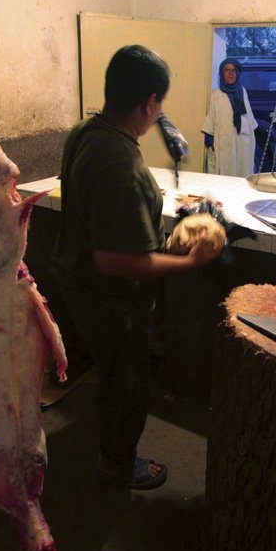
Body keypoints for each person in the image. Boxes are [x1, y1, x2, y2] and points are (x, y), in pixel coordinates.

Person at [52, 45, 221, 490]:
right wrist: (190, 262)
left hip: (77, 281)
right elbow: (118, 259)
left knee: (110, 372)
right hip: (111, 298)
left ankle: (107, 438)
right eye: (159, 103)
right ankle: (119, 461)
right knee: (130, 384)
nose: (158, 113)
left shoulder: (86, 132)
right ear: (148, 102)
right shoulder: (122, 162)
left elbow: (103, 209)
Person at [202, 58, 256, 177]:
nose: (231, 73)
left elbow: (249, 119)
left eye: (234, 70)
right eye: (227, 70)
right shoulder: (216, 94)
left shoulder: (242, 92)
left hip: (242, 142)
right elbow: (211, 118)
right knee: (225, 174)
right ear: (222, 73)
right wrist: (210, 142)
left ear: (238, 73)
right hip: (224, 143)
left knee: (242, 173)